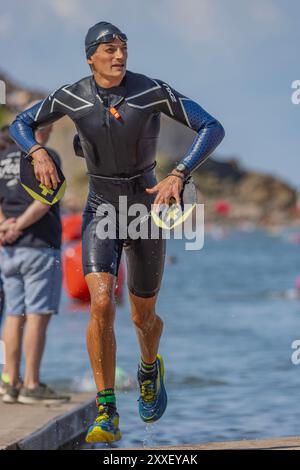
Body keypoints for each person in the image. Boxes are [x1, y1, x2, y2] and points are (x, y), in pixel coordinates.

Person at [9, 21, 225, 441]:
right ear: (91, 57)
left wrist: (179, 173)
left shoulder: (150, 90)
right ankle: (107, 411)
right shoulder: (72, 95)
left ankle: (149, 368)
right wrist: (37, 152)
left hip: (145, 210)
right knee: (102, 302)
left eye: (123, 47)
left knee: (144, 318)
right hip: (100, 208)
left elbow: (211, 127)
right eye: (109, 49)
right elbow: (21, 121)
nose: (119, 55)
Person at [0, 123, 69, 404]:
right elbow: (45, 200)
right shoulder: (46, 156)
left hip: (8, 249)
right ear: (43, 128)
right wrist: (19, 226)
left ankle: (10, 384)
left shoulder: (2, 158)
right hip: (39, 246)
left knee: (14, 316)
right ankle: (31, 384)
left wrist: (5, 226)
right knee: (37, 317)